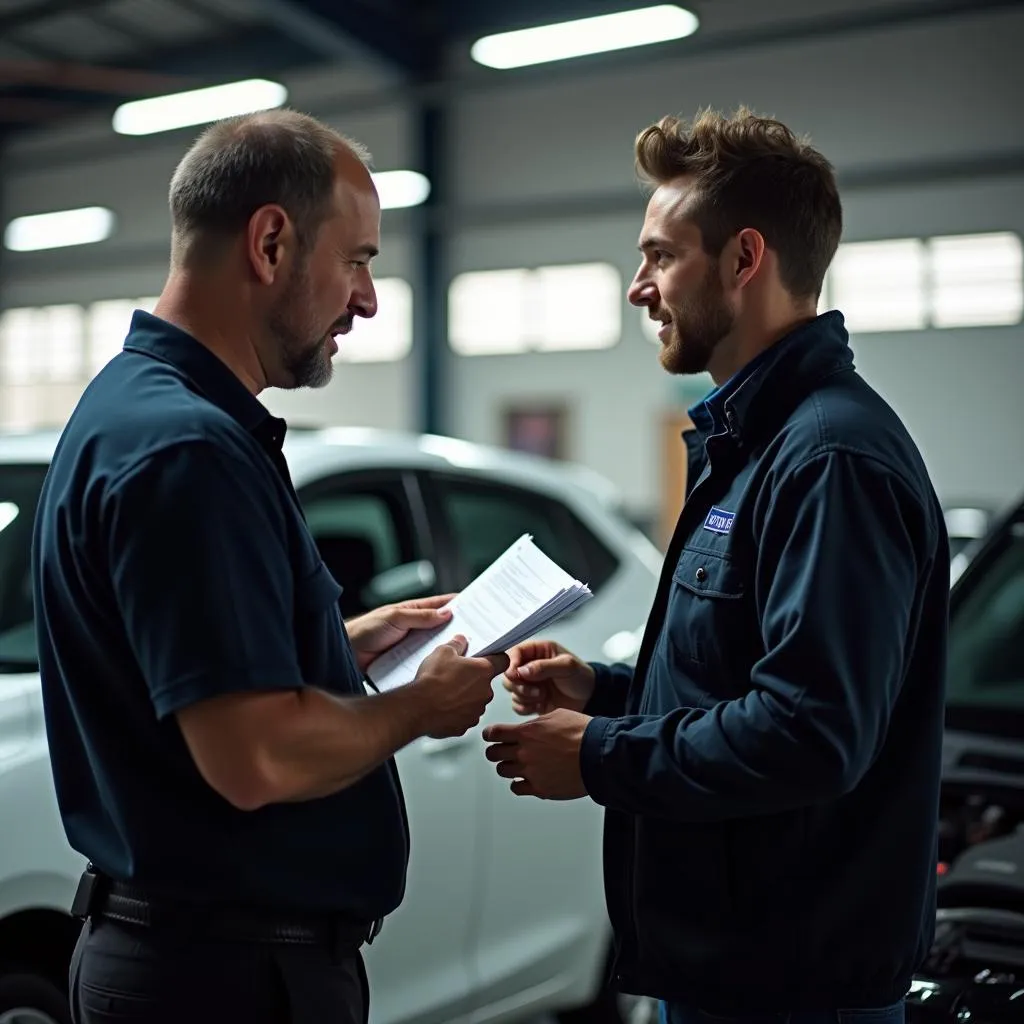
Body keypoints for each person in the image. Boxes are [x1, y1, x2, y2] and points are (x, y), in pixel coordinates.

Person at [31, 109, 507, 1024]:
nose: (365, 300)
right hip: (226, 983)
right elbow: (256, 758)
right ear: (272, 242)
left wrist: (333, 645)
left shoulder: (129, 406)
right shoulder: (188, 452)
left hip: (189, 962)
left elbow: (166, 669)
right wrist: (420, 707)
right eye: (359, 260)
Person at [483, 106, 949, 1024]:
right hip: (728, 972)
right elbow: (741, 675)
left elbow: (814, 732)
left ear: (743, 259)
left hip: (793, 992)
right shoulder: (757, 443)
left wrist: (601, 756)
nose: (638, 287)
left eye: (660, 255)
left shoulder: (829, 461)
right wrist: (608, 693)